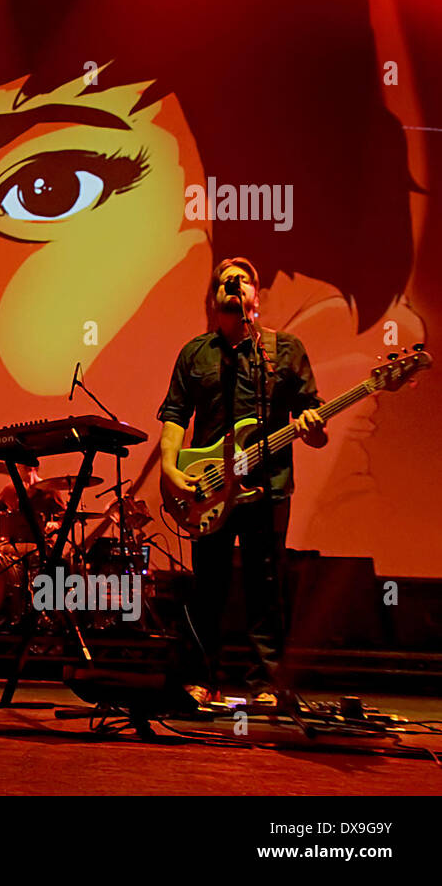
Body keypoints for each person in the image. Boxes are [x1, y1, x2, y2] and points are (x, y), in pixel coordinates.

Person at [157, 257, 325, 704]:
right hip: (207, 487)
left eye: (244, 280)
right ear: (214, 300)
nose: (235, 286)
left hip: (268, 487)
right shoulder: (197, 353)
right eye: (225, 282)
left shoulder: (285, 349)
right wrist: (170, 469)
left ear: (255, 296)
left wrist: (313, 427)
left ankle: (265, 685)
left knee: (265, 588)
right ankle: (200, 679)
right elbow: (175, 415)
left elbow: (315, 423)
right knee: (207, 586)